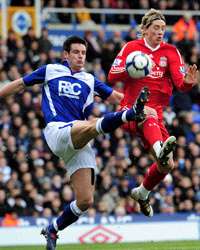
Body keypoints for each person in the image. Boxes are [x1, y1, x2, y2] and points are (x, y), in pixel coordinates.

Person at [0, 35, 153, 250]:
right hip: (57, 131)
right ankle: (129, 115)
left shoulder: (90, 80)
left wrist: (145, 107)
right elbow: (18, 85)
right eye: (76, 52)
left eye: (83, 53)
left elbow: (117, 98)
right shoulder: (50, 70)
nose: (81, 57)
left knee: (85, 201)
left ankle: (53, 229)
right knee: (92, 125)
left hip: (79, 140)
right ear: (66, 54)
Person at [108, 9, 198, 217]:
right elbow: (112, 76)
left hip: (155, 116)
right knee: (148, 113)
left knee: (168, 165)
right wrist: (129, 71)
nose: (160, 32)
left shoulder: (171, 52)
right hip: (130, 109)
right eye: (156, 28)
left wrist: (188, 83)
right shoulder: (131, 48)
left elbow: (179, 84)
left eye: (163, 29)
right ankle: (160, 151)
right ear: (145, 30)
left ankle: (142, 192)